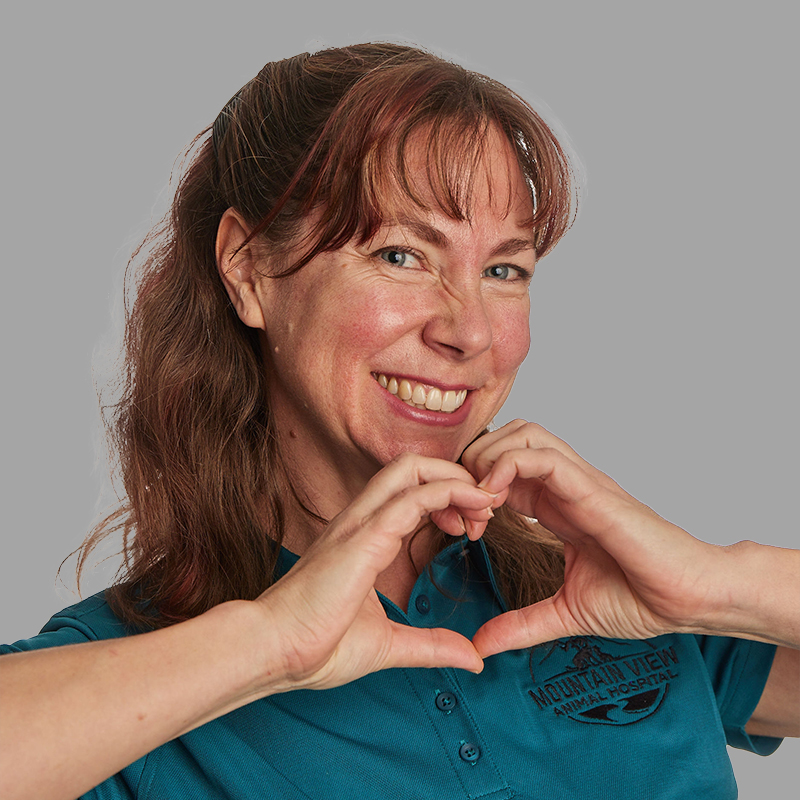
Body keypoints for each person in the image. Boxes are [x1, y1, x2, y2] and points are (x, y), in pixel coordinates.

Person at [0, 42, 797, 800]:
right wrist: (267, 643)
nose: (470, 330)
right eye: (401, 256)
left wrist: (715, 583)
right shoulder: (136, 668)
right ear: (248, 270)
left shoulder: (601, 588)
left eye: (503, 269)